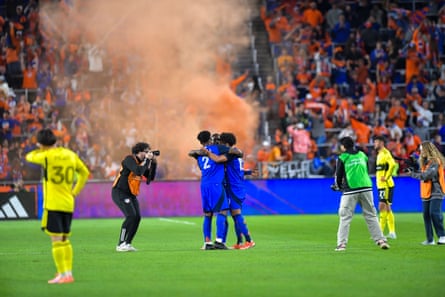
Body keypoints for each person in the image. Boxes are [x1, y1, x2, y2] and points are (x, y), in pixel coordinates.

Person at [25, 128, 90, 284]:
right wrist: (75, 191)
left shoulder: (47, 156)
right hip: (68, 203)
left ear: (41, 144)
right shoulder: (70, 155)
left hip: (53, 204)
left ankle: (62, 274)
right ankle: (68, 273)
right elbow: (85, 173)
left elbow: (29, 156)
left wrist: (40, 148)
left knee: (56, 242)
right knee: (65, 240)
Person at [332, 136, 390, 251]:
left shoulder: (343, 157)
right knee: (371, 215)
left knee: (345, 217)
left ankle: (341, 245)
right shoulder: (362, 155)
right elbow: (366, 169)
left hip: (350, 190)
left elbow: (338, 176)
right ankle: (381, 240)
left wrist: (338, 186)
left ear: (343, 147)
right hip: (366, 187)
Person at [206, 132, 255, 249]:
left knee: (236, 214)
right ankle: (239, 242)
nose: (220, 144)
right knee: (234, 215)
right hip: (233, 187)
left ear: (226, 143)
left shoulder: (232, 153)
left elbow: (218, 159)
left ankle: (249, 241)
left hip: (235, 188)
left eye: (221, 142)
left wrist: (207, 153)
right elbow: (239, 170)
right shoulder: (234, 154)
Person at [112, 142, 157, 252]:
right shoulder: (129, 159)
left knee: (137, 218)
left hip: (131, 194)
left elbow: (150, 179)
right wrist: (147, 160)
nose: (147, 154)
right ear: (138, 152)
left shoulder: (142, 163)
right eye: (145, 152)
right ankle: (120, 243)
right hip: (120, 192)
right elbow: (138, 171)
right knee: (131, 216)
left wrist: (153, 163)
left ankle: (128, 243)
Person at [189, 130, 230, 250]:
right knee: (222, 212)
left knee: (208, 214)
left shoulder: (199, 154)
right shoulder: (218, 148)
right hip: (216, 184)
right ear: (210, 139)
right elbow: (232, 151)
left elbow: (191, 153)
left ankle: (207, 242)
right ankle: (219, 240)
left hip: (204, 184)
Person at [406, 141, 445, 245]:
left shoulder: (435, 161)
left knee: (434, 213)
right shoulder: (425, 162)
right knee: (426, 215)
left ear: (427, 149)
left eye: (422, 149)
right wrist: (413, 166)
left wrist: (412, 174)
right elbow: (422, 173)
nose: (420, 151)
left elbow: (427, 175)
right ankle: (430, 239)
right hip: (426, 191)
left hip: (436, 190)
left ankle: (442, 236)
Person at [373, 135, 397, 239]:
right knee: (386, 207)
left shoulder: (385, 153)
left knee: (382, 206)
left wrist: (386, 177)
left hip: (385, 185)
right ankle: (391, 232)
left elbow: (392, 165)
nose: (374, 144)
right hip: (381, 185)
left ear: (381, 143)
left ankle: (381, 233)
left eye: (376, 142)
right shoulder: (379, 154)